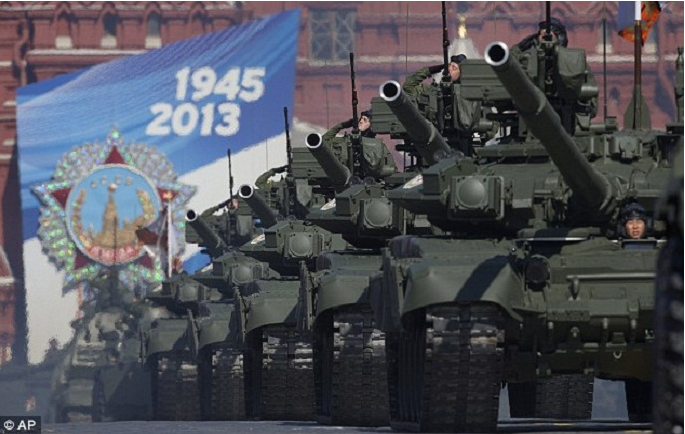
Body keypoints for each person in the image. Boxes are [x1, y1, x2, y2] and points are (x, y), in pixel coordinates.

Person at [402, 54, 467, 97]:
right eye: (449, 65)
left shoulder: (466, 95)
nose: (449, 69)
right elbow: (408, 86)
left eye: (454, 68)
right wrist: (432, 70)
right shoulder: (433, 91)